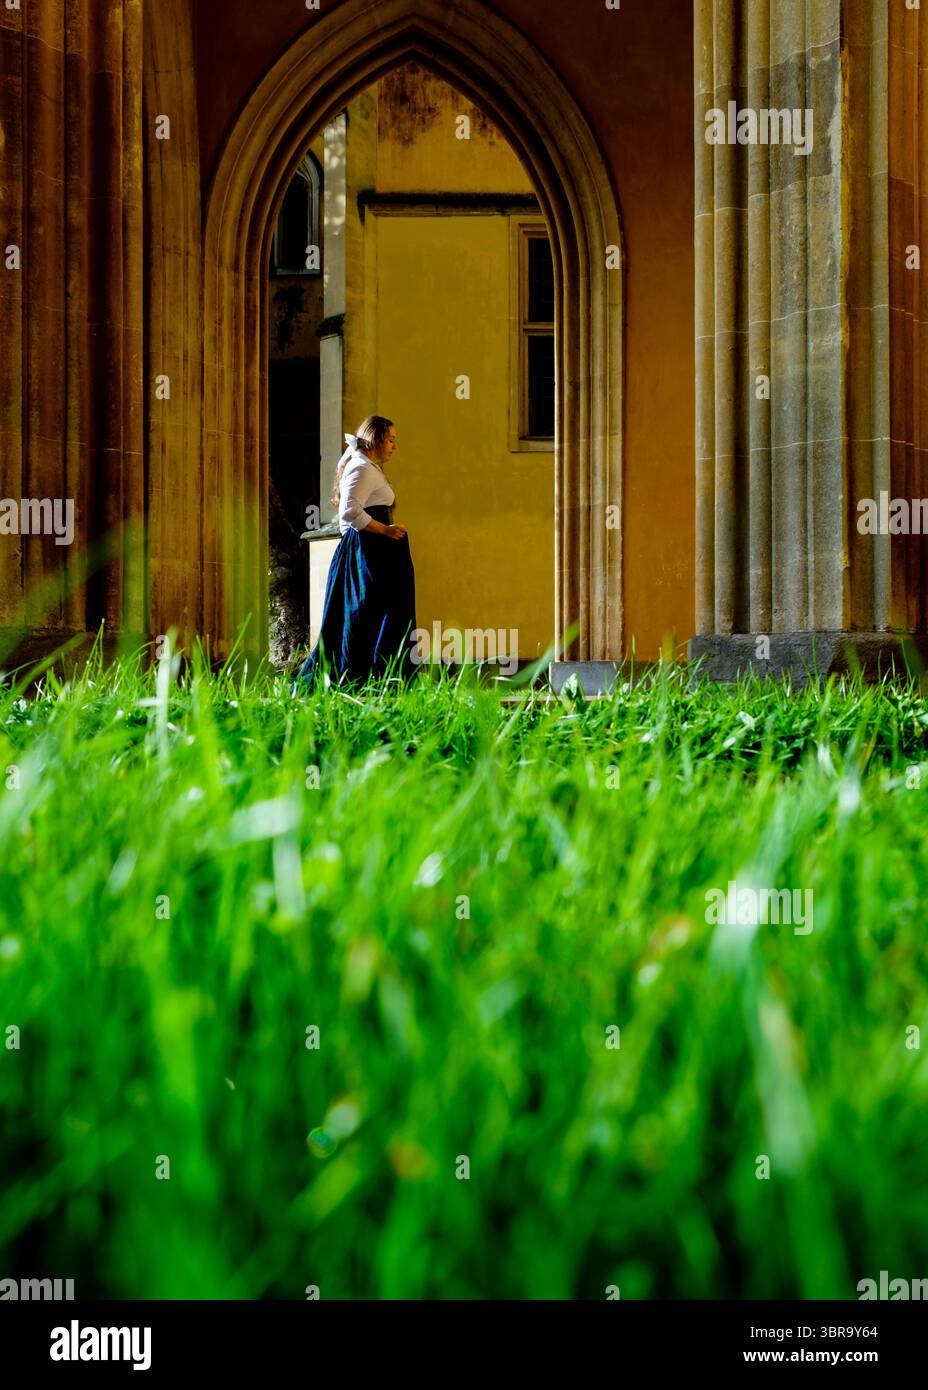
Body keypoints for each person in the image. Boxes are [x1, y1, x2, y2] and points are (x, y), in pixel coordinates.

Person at [292, 415, 418, 691]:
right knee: (366, 613)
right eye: (391, 439)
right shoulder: (362, 468)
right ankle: (361, 678)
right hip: (368, 552)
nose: (395, 445)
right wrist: (385, 531)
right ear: (376, 438)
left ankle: (384, 677)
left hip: (377, 551)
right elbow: (349, 511)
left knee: (384, 613)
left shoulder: (368, 466)